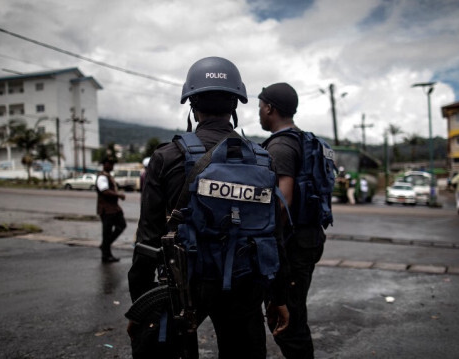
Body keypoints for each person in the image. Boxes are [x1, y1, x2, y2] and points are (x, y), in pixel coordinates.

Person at [127, 57, 289, 359]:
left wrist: (141, 306)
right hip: (245, 284)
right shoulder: (263, 160)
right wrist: (277, 297)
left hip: (184, 283)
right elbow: (274, 236)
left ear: (192, 103)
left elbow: (147, 241)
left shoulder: (167, 157)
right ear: (235, 105)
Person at [258, 82, 325, 359]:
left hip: (292, 244)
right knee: (294, 313)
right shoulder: (305, 139)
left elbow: (281, 206)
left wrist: (269, 250)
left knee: (287, 320)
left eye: (260, 107)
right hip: (310, 236)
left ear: (270, 108)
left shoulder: (281, 147)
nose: (259, 113)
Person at [95, 156, 126, 263]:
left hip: (114, 208)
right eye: (110, 164)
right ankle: (106, 255)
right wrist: (118, 195)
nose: (112, 166)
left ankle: (105, 245)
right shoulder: (102, 177)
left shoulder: (108, 176)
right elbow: (104, 191)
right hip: (106, 209)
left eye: (113, 164)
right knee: (107, 232)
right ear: (105, 165)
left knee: (122, 225)